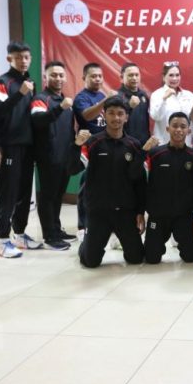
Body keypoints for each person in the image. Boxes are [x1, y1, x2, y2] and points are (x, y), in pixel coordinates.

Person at [69, 97, 148, 268]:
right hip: (99, 211)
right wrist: (76, 145)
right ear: (104, 115)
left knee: (136, 258)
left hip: (125, 211)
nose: (116, 118)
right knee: (90, 261)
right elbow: (74, 169)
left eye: (120, 114)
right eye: (111, 113)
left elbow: (140, 182)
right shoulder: (92, 142)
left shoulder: (134, 145)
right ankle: (87, 243)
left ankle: (119, 239)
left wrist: (140, 211)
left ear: (127, 117)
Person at [0, 41, 42, 257]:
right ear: (9, 59)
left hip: (27, 144)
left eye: (26, 57)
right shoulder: (3, 82)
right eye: (18, 57)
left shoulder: (29, 82)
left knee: (23, 193)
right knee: (7, 193)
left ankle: (19, 235)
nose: (23, 61)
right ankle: (2, 240)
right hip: (9, 145)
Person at [143, 112, 193, 264]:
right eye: (175, 126)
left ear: (189, 130)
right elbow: (140, 181)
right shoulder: (155, 154)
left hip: (183, 215)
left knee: (190, 257)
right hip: (158, 215)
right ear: (167, 129)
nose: (178, 130)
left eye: (183, 126)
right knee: (151, 258)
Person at [30, 61, 76, 251]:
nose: (58, 78)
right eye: (53, 75)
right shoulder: (41, 99)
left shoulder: (65, 100)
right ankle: (49, 236)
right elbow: (38, 120)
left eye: (60, 75)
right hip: (48, 157)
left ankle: (56, 230)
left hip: (64, 157)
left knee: (58, 196)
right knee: (48, 197)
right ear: (45, 77)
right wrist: (60, 108)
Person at [73, 62, 116, 236]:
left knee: (106, 187)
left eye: (100, 76)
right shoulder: (81, 97)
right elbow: (87, 115)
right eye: (93, 76)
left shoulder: (101, 94)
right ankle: (83, 226)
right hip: (88, 148)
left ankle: (105, 223)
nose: (98, 79)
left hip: (104, 147)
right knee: (87, 186)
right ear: (84, 78)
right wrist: (106, 101)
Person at [149, 62, 193, 144]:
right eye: (171, 75)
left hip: (185, 144)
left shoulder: (188, 95)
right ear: (163, 77)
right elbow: (155, 116)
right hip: (164, 144)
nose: (175, 78)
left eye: (177, 75)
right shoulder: (157, 94)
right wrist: (164, 98)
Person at [117, 62, 150, 145]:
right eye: (131, 75)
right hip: (125, 143)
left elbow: (145, 121)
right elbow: (115, 121)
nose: (134, 78)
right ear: (122, 77)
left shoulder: (143, 95)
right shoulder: (117, 96)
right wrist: (129, 106)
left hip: (143, 143)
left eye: (137, 75)